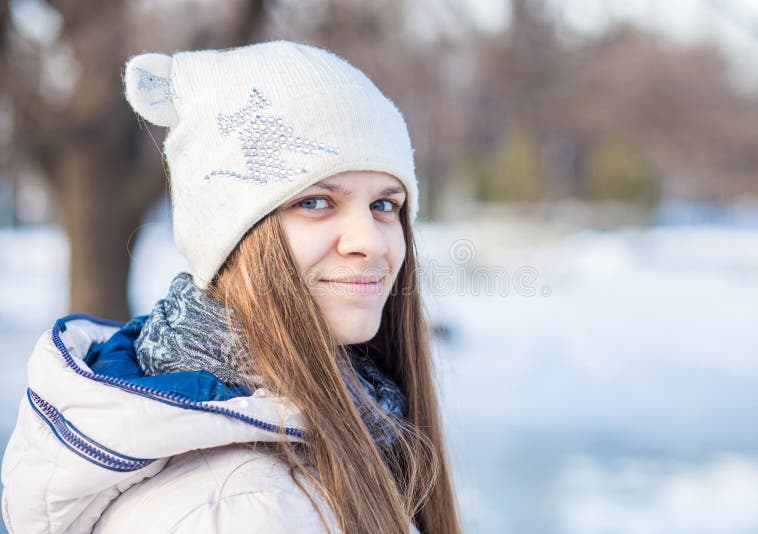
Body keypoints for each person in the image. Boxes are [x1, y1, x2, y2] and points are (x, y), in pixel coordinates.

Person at [0, 40, 461, 534]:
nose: (370, 241)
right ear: (231, 234)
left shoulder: (339, 431)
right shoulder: (244, 507)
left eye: (385, 205)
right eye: (314, 202)